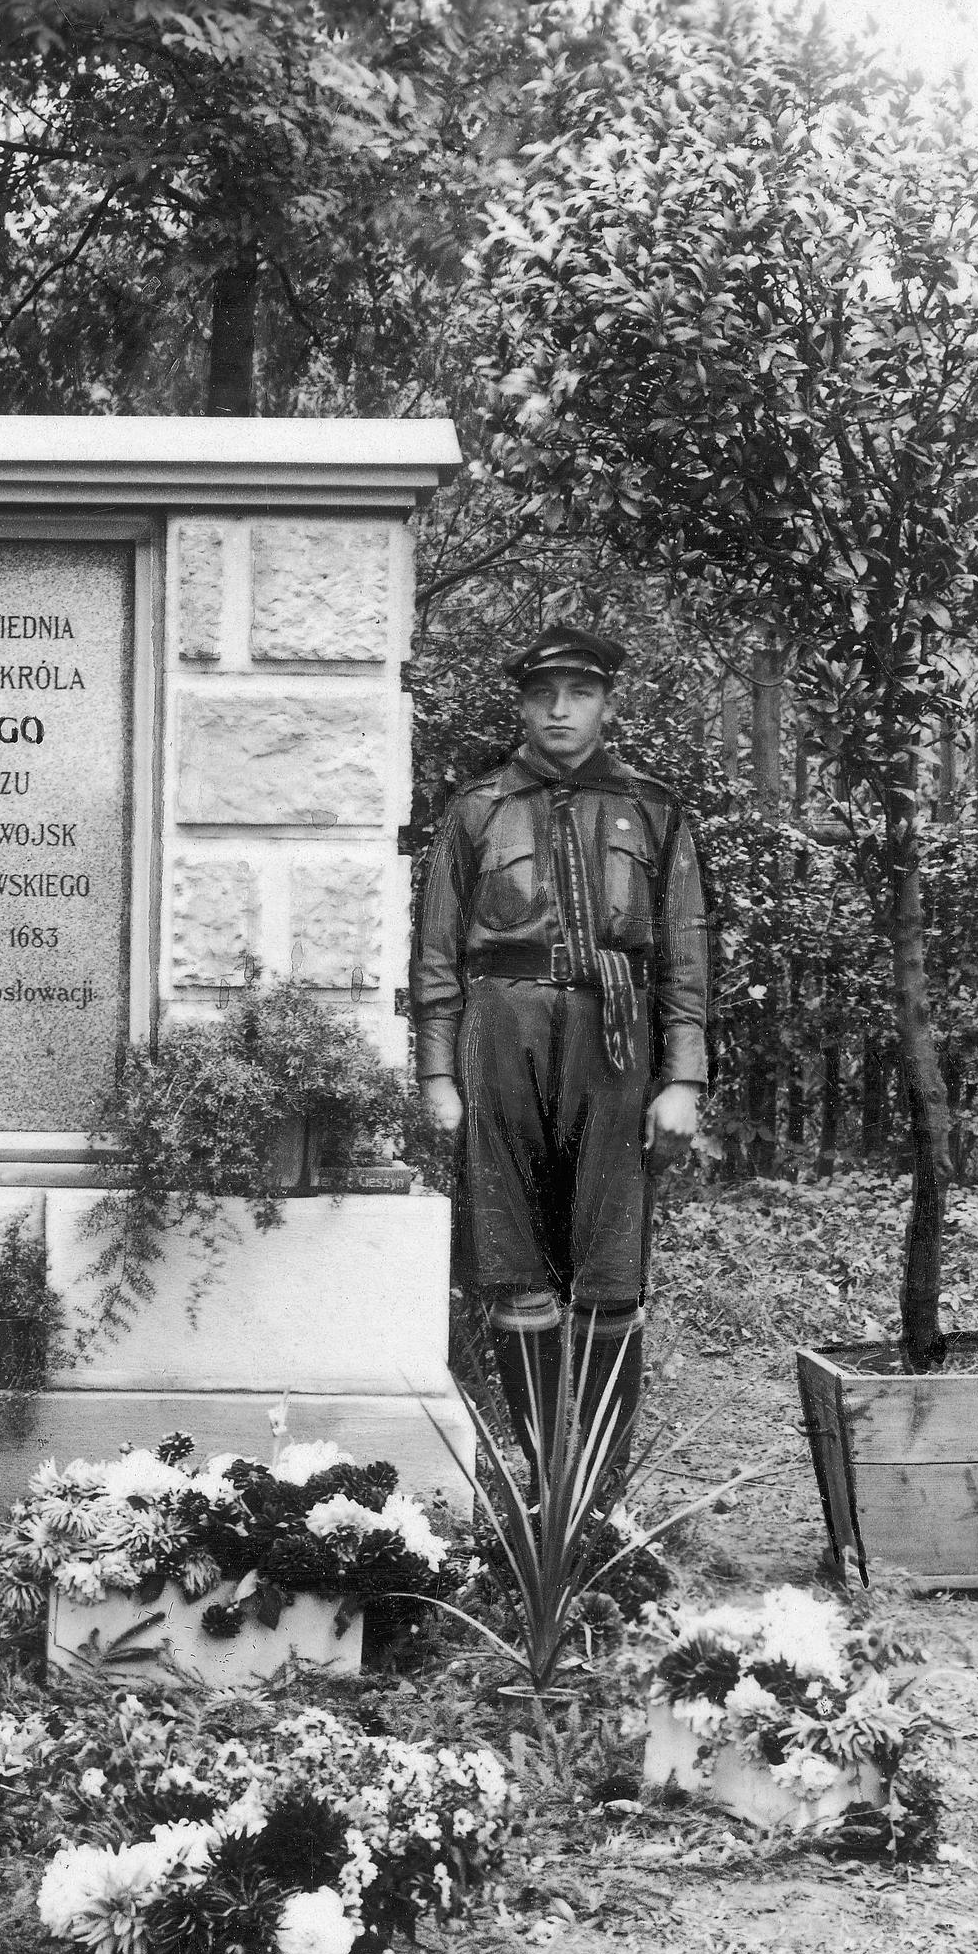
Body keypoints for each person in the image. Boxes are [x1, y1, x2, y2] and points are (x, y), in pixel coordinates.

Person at [410, 624, 711, 1463]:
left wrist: (682, 1077)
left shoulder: (651, 808)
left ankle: (599, 1497)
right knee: (512, 1256)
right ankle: (544, 1476)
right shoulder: (477, 811)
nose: (560, 710)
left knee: (611, 1255)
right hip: (499, 1030)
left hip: (614, 1040)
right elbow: (436, 953)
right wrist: (438, 1070)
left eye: (579, 693)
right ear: (522, 705)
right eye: (544, 695)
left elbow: (685, 949)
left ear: (607, 704)